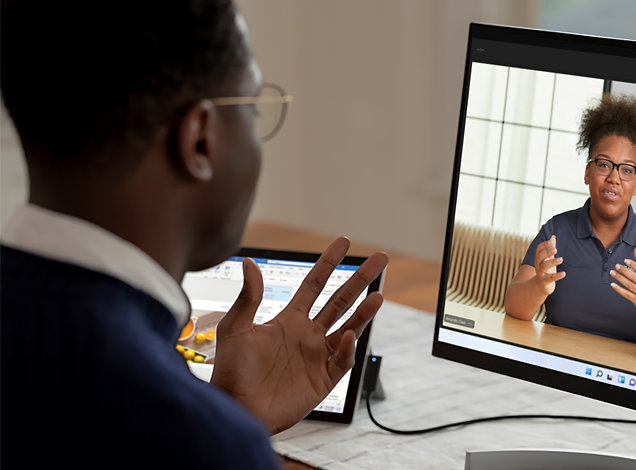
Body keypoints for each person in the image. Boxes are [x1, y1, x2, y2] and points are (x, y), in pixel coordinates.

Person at [0, 1, 387, 468]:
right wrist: (221, 433)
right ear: (199, 138)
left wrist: (225, 410)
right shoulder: (194, 441)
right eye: (254, 110)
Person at [505, 94, 636, 353]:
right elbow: (513, 307)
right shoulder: (556, 231)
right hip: (557, 366)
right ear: (587, 172)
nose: (614, 177)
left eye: (627, 170)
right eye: (604, 164)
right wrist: (539, 286)